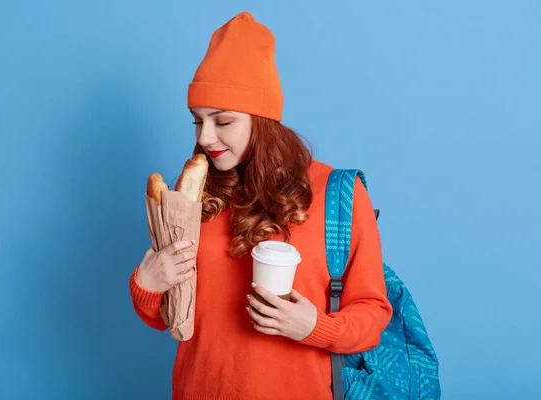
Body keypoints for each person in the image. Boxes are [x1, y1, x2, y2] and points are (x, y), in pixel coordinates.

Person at [129, 11, 393, 400]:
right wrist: (146, 286)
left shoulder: (336, 193)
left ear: (262, 119)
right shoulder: (193, 197)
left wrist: (314, 326)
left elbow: (372, 315)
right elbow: (173, 317)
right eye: (197, 121)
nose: (206, 137)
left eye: (223, 121)